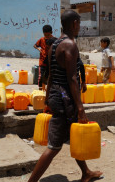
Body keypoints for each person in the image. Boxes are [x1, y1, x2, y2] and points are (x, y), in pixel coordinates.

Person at [28, 10, 102, 182]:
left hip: (56, 94)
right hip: (65, 98)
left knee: (73, 133)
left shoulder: (54, 45)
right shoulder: (69, 44)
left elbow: (51, 75)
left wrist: (48, 98)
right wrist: (80, 108)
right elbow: (72, 78)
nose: (80, 26)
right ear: (74, 23)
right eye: (80, 23)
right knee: (54, 147)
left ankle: (86, 173)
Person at [34, 25, 54, 90]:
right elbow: (35, 45)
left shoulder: (54, 40)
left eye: (48, 35)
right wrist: (39, 49)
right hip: (42, 61)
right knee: (41, 76)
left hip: (50, 61)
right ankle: (40, 89)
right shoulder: (41, 39)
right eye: (45, 35)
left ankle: (48, 89)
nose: (46, 37)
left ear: (51, 32)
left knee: (49, 76)